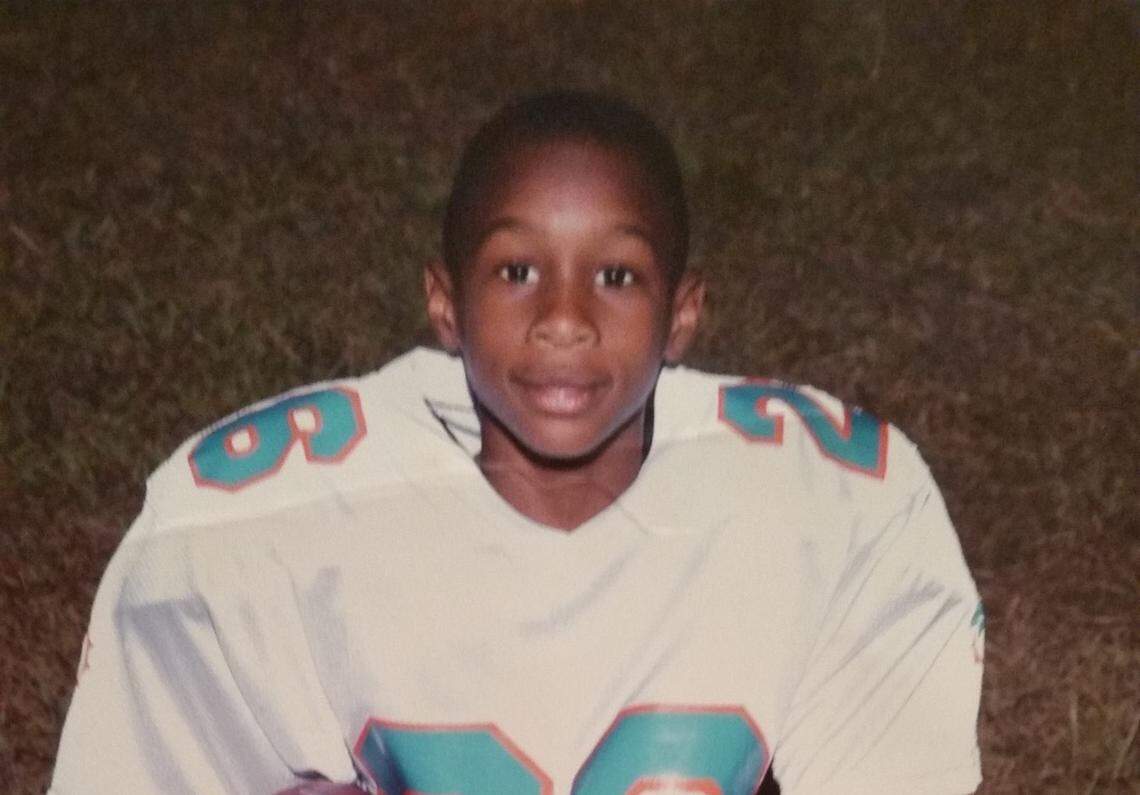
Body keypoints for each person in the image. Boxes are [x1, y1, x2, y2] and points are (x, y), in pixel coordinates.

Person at [50, 91, 984, 794]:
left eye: (616, 273)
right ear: (445, 300)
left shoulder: (835, 504)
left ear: (683, 311)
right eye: (517, 270)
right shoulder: (264, 517)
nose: (564, 319)